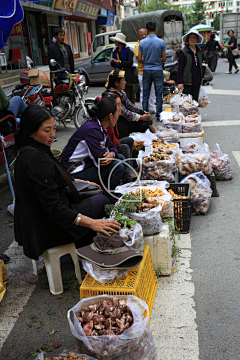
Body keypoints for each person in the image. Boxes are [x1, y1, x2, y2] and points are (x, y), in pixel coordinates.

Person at [14, 105, 120, 260]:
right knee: (102, 201)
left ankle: (80, 248)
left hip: (40, 218)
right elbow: (54, 207)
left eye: (54, 129)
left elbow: (51, 178)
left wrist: (77, 180)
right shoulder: (36, 160)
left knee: (94, 195)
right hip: (45, 227)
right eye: (47, 130)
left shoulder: (31, 148)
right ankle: (78, 252)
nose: (52, 135)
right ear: (32, 131)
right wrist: (91, 223)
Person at [61, 98, 126, 202]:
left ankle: (113, 191)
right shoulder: (93, 130)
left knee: (120, 157)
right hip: (74, 171)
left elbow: (111, 146)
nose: (118, 115)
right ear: (110, 116)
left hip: (86, 162)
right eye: (117, 112)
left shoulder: (99, 125)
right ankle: (109, 200)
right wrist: (110, 155)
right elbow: (101, 160)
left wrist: (112, 154)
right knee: (117, 167)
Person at [95, 92, 136, 181]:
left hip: (110, 146)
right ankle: (127, 178)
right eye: (118, 105)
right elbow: (110, 144)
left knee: (129, 140)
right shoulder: (105, 123)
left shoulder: (112, 120)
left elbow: (112, 142)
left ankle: (130, 170)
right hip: (103, 153)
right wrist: (112, 153)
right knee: (124, 148)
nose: (120, 107)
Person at [105, 69, 157, 138]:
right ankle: (155, 132)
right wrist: (141, 117)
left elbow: (130, 105)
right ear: (116, 83)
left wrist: (143, 112)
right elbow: (125, 113)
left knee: (144, 117)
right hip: (118, 125)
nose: (125, 82)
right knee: (144, 124)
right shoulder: (112, 96)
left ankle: (154, 132)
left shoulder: (121, 92)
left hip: (124, 121)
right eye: (123, 80)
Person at [137, 21, 167, 121]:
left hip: (146, 70)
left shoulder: (142, 42)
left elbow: (140, 58)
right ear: (155, 29)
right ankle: (159, 115)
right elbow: (164, 58)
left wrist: (146, 62)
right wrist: (158, 62)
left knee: (145, 94)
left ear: (146, 30)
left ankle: (146, 115)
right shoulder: (161, 42)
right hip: (158, 70)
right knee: (159, 94)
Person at [110, 33, 137, 104]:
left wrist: (120, 62)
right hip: (118, 75)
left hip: (127, 76)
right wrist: (112, 61)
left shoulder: (128, 51)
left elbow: (130, 63)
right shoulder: (115, 51)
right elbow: (113, 65)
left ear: (119, 42)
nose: (115, 42)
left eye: (116, 40)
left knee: (129, 94)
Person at [134, 28, 156, 114]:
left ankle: (151, 107)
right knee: (144, 91)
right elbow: (141, 59)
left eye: (145, 34)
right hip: (143, 73)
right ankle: (144, 108)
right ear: (138, 36)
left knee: (152, 90)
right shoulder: (137, 46)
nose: (144, 36)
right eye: (141, 35)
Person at [178, 30, 203, 102]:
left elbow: (200, 66)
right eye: (190, 38)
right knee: (186, 104)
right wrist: (180, 82)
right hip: (187, 82)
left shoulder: (199, 51)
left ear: (197, 39)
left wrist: (201, 78)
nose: (192, 39)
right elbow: (180, 68)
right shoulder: (183, 52)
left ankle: (195, 113)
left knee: (195, 102)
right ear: (187, 39)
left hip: (196, 81)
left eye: (194, 37)